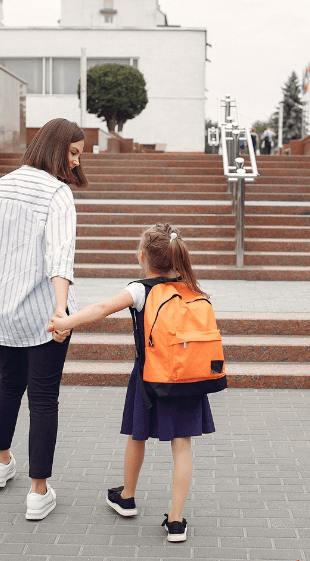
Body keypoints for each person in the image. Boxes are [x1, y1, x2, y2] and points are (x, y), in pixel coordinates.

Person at [47, 223, 216, 542]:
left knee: (137, 436)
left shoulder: (140, 289)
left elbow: (101, 308)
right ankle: (176, 521)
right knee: (182, 446)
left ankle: (127, 497)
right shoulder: (190, 288)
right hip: (189, 377)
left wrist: (66, 321)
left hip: (150, 377)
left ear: (142, 256)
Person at [0, 118, 88, 521]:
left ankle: (1, 463)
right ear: (54, 148)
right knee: (43, 398)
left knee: (10, 382)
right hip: (39, 313)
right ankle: (38, 492)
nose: (74, 163)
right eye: (71, 153)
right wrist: (60, 311)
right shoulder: (56, 194)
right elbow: (60, 257)